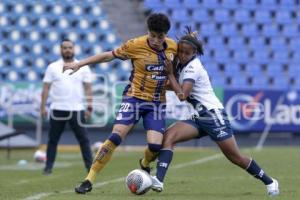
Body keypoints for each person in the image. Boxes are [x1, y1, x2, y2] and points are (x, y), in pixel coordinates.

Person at [149, 27, 279, 197]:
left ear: (194, 53)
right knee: (168, 136)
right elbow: (173, 85)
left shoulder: (193, 67)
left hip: (213, 115)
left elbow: (182, 95)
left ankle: (270, 181)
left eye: (186, 53)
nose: (181, 55)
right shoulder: (180, 63)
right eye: (180, 51)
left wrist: (170, 75)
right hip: (198, 117)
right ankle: (158, 180)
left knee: (235, 157)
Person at [63, 13, 177, 194]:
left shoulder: (173, 47)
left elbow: (181, 66)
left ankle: (145, 163)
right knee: (116, 136)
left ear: (166, 35)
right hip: (134, 98)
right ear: (148, 32)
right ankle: (89, 179)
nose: (155, 40)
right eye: (152, 35)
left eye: (160, 36)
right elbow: (108, 56)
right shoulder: (135, 45)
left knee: (155, 146)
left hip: (156, 103)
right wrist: (80, 64)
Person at [40, 39, 93, 175]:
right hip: (58, 108)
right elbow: (46, 88)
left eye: (70, 47)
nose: (67, 50)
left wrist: (90, 106)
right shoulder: (52, 67)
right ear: (61, 50)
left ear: (74, 49)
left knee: (84, 140)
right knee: (53, 140)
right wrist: (42, 107)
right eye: (65, 48)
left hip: (77, 109)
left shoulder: (83, 66)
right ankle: (48, 167)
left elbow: (88, 88)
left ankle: (90, 168)